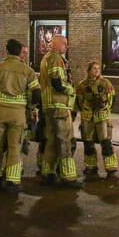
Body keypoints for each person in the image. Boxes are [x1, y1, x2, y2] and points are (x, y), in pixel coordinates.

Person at [0, 39, 40, 194]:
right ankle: (12, 181)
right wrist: (31, 107)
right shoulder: (28, 71)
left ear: (6, 51)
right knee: (15, 147)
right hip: (17, 114)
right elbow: (36, 94)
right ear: (19, 52)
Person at [38, 35, 81, 188]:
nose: (66, 47)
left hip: (49, 106)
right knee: (65, 140)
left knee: (51, 139)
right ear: (56, 44)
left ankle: (48, 172)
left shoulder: (46, 58)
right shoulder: (56, 58)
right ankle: (68, 176)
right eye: (64, 43)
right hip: (60, 105)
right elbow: (57, 82)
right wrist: (71, 90)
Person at [76, 61, 117, 180]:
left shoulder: (105, 83)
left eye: (98, 68)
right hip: (88, 116)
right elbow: (79, 101)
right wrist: (83, 111)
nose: (97, 70)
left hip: (102, 116)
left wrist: (106, 109)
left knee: (105, 142)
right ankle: (91, 165)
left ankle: (111, 167)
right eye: (94, 68)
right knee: (88, 142)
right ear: (88, 71)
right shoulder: (82, 85)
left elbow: (112, 98)